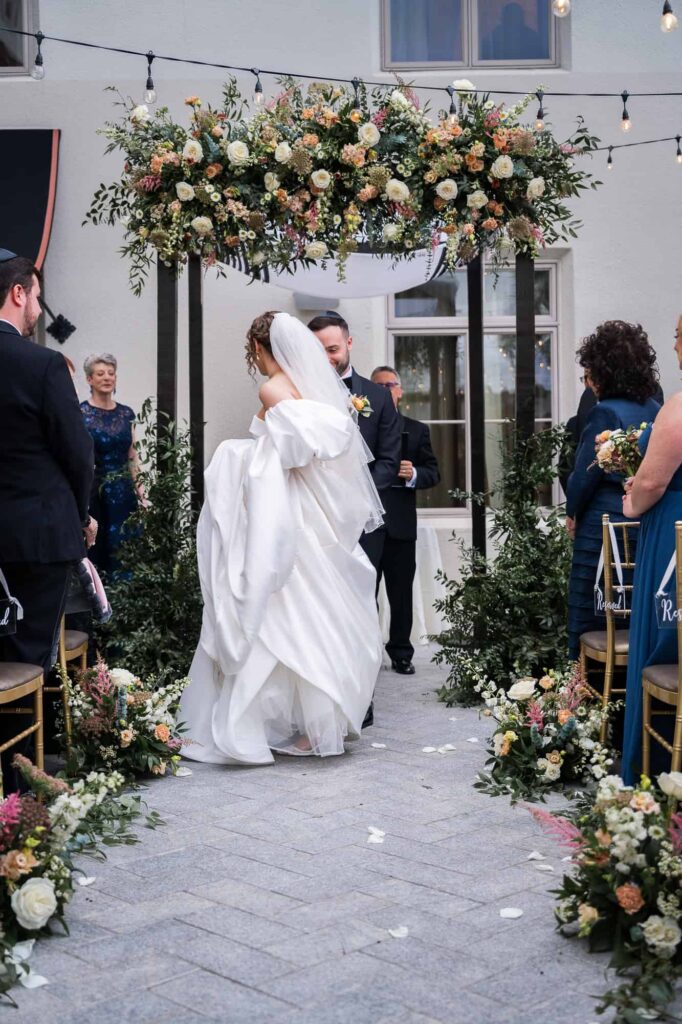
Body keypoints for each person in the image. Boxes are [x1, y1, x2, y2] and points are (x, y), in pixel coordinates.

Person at [179, 311, 383, 765]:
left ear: (257, 350)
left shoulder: (272, 388)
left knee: (289, 617)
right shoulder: (311, 387)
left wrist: (235, 455)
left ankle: (288, 725)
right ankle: (317, 725)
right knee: (313, 616)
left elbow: (289, 453)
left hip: (288, 514)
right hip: (306, 513)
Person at [0, 250, 95, 675]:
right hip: (37, 536)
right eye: (37, 297)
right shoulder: (43, 364)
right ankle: (20, 743)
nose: (38, 311)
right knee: (26, 659)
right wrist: (81, 515)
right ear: (18, 294)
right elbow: (76, 450)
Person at [565, 321, 661, 660]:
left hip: (603, 527)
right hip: (643, 523)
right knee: (632, 611)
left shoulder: (604, 411)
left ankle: (587, 692)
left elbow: (584, 474)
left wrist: (570, 510)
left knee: (592, 610)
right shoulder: (654, 410)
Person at [620, 315, 682, 784]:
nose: (675, 344)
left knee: (666, 640)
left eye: (678, 335)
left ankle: (658, 771)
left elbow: (655, 481)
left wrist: (632, 498)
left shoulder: (678, 407)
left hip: (671, 532)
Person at [307, 312, 400, 574]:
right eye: (318, 350)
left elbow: (389, 461)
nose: (326, 358)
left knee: (362, 599)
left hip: (363, 519)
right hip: (314, 517)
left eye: (333, 349)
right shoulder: (299, 393)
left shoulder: (379, 398)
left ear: (349, 343)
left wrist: (354, 498)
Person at [370, 365, 440, 675]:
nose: (386, 390)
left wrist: (414, 475)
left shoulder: (417, 428)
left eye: (391, 385)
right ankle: (367, 652)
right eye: (379, 386)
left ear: (400, 391)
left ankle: (400, 652)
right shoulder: (361, 429)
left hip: (400, 524)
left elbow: (434, 472)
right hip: (367, 523)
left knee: (400, 595)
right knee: (363, 592)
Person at [80, 353, 143, 575]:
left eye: (111, 373)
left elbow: (133, 457)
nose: (107, 377)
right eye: (100, 373)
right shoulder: (81, 413)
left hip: (124, 493)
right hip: (94, 493)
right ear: (89, 379)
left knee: (125, 550)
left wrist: (143, 496)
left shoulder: (127, 414)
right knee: (97, 552)